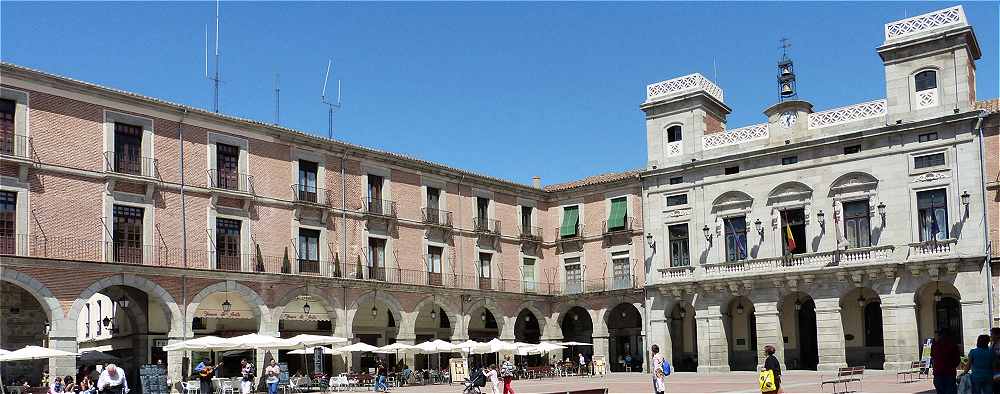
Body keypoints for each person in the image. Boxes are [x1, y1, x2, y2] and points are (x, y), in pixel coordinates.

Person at [931, 330, 960, 394]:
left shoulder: (935, 345)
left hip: (938, 373)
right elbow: (957, 360)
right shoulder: (953, 346)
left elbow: (933, 357)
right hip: (949, 373)